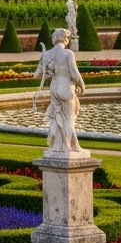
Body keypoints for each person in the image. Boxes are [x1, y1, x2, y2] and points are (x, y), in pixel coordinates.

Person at [32, 27, 85, 155]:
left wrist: (48, 69)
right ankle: (73, 147)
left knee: (59, 117)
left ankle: (59, 146)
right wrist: (82, 84)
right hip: (65, 87)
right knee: (69, 118)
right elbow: (74, 73)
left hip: (54, 88)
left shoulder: (47, 54)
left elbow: (37, 74)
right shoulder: (68, 53)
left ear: (54, 39)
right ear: (65, 39)